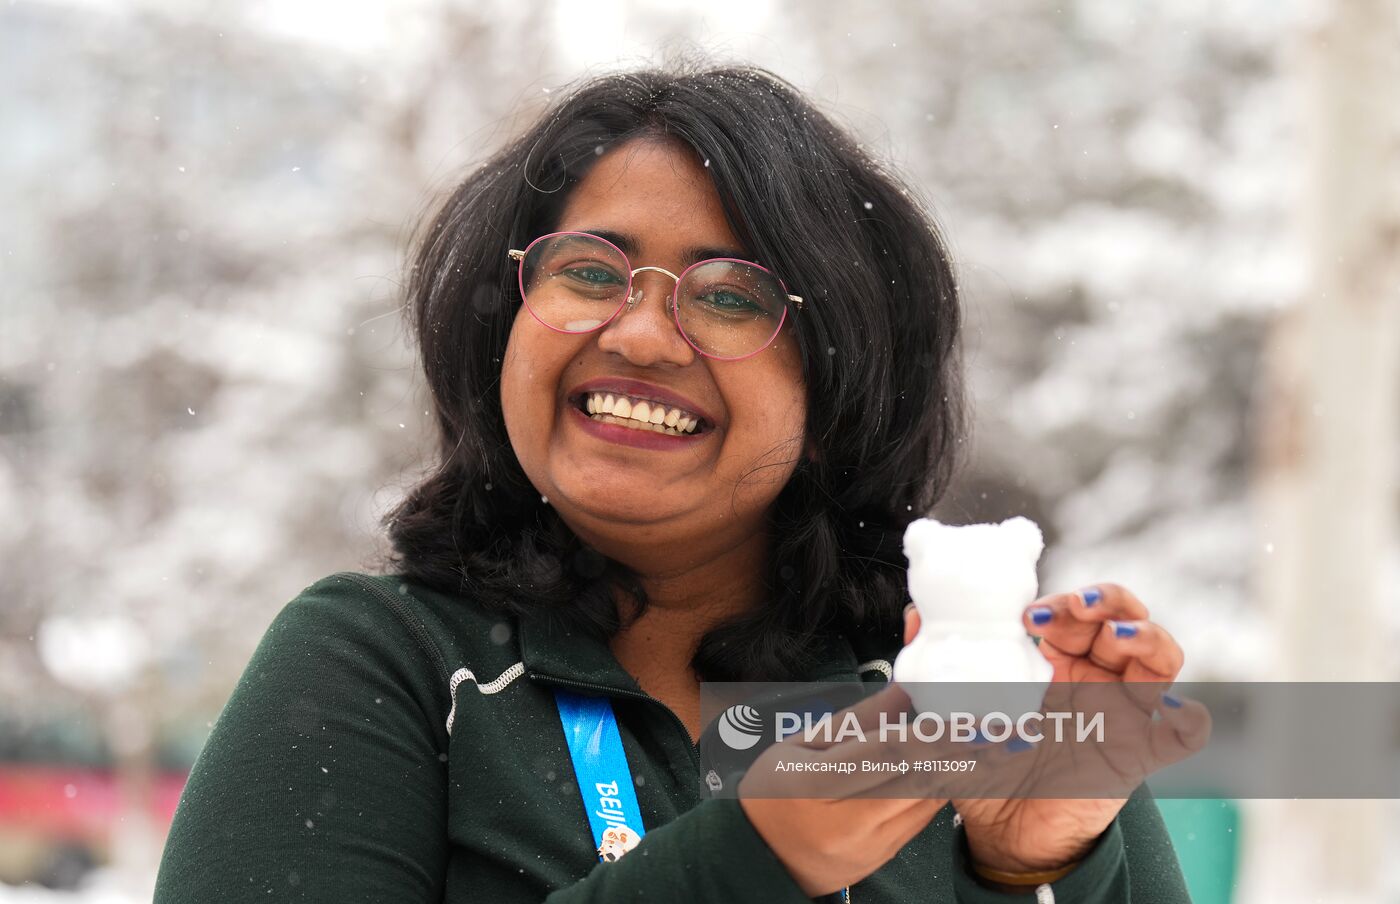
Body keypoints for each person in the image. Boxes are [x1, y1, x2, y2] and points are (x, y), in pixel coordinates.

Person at [154, 61, 1195, 902]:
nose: (641, 332)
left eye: (732, 296)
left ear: (838, 396)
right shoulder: (391, 663)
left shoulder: (979, 707)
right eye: (589, 272)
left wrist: (1031, 869)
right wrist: (746, 862)